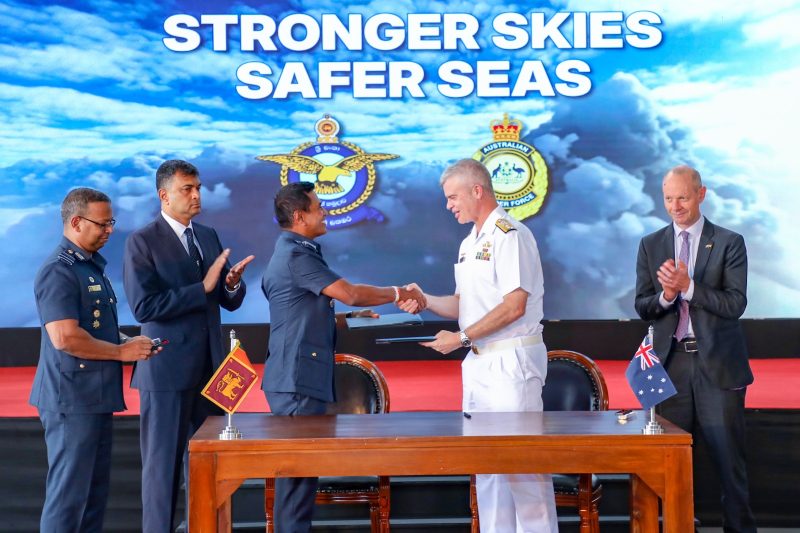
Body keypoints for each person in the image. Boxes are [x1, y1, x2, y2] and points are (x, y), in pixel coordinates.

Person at [400, 159, 558, 533]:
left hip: (510, 361)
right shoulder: (469, 242)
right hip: (478, 363)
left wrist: (461, 338)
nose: (448, 205)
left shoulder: (510, 235)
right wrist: (426, 300)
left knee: (522, 468)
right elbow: (464, 304)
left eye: (453, 197)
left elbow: (514, 305)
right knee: (487, 469)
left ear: (477, 191)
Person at [261, 181, 425, 533]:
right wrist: (398, 292)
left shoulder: (295, 251)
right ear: (299, 216)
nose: (325, 212)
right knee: (296, 481)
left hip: (297, 377)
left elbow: (299, 313)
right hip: (297, 380)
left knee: (300, 479)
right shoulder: (296, 255)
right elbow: (349, 292)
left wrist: (349, 318)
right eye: (318, 206)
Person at [123, 160, 254, 533]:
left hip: (211, 369)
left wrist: (230, 284)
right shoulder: (142, 241)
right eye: (187, 189)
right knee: (162, 469)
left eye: (198, 187)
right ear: (164, 195)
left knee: (208, 464)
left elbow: (227, 300)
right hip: (165, 370)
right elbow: (144, 307)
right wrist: (203, 288)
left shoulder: (208, 235)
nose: (196, 195)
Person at [634, 165, 756, 532]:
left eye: (683, 198)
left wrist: (688, 288)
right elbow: (643, 306)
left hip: (716, 365)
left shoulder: (729, 242)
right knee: (670, 460)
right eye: (668, 199)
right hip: (670, 366)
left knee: (728, 461)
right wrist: (667, 295)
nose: (675, 206)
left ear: (701, 194)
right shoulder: (651, 243)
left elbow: (735, 303)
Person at [30, 187, 158, 532]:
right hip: (71, 400)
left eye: (111, 222)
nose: (110, 230)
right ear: (76, 223)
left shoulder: (89, 266)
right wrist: (120, 352)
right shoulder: (59, 270)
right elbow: (65, 337)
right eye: (103, 224)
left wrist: (129, 342)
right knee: (68, 499)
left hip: (94, 397)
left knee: (91, 497)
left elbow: (95, 327)